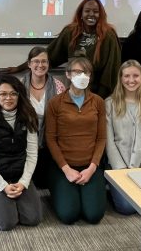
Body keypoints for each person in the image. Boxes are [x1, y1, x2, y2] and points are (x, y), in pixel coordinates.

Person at [0, 75, 42, 231]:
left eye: (13, 93)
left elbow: (32, 154)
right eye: (3, 94)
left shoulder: (29, 116)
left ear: (19, 95)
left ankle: (13, 200)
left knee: (33, 219)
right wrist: (3, 186)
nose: (8, 98)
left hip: (18, 173)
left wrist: (23, 182)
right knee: (7, 223)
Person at [46, 57, 106, 224]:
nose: (82, 76)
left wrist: (92, 168)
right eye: (77, 72)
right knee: (69, 215)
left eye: (86, 72)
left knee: (94, 216)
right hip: (63, 167)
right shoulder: (55, 103)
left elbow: (101, 138)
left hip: (90, 166)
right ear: (68, 75)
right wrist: (66, 169)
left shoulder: (98, 102)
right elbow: (50, 139)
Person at [105, 60, 141, 215]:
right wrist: (121, 169)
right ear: (121, 78)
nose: (131, 80)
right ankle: (111, 188)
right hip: (119, 167)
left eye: (136, 76)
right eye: (127, 76)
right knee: (127, 208)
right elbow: (109, 142)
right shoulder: (109, 103)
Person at [46, 0, 121, 98]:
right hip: (74, 93)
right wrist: (20, 68)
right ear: (81, 14)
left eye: (95, 11)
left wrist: (99, 99)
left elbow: (111, 71)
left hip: (99, 94)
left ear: (101, 15)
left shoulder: (108, 36)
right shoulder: (70, 32)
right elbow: (48, 56)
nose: (91, 14)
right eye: (87, 11)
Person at [21, 47, 66, 188]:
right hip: (25, 140)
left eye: (44, 61)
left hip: (50, 140)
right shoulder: (19, 86)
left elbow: (62, 117)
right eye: (36, 61)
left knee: (43, 183)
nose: (40, 65)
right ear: (29, 64)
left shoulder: (59, 86)